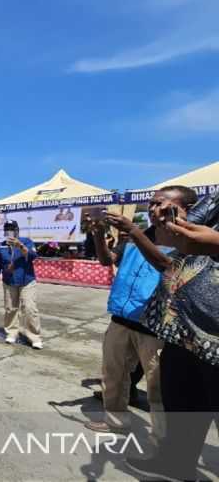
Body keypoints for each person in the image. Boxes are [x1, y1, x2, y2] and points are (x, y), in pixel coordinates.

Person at [120, 186, 219, 481]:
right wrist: (165, 221)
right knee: (182, 403)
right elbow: (172, 240)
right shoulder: (214, 200)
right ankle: (176, 463)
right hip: (183, 328)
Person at [84, 214, 170, 438]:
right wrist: (99, 234)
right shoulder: (132, 238)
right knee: (114, 374)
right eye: (152, 202)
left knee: (158, 384)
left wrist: (134, 231)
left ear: (185, 208)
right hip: (120, 319)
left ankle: (163, 436)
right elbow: (107, 260)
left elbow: (166, 266)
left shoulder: (183, 241)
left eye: (162, 203)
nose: (155, 208)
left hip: (155, 326)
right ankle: (116, 420)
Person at [0, 220, 43, 349]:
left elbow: (32, 256)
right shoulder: (0, 246)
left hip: (27, 281)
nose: (10, 231)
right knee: (10, 308)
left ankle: (34, 336)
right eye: (7, 229)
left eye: (12, 229)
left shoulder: (26, 242)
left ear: (17, 230)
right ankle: (11, 332)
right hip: (9, 281)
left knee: (29, 307)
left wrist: (20, 245)